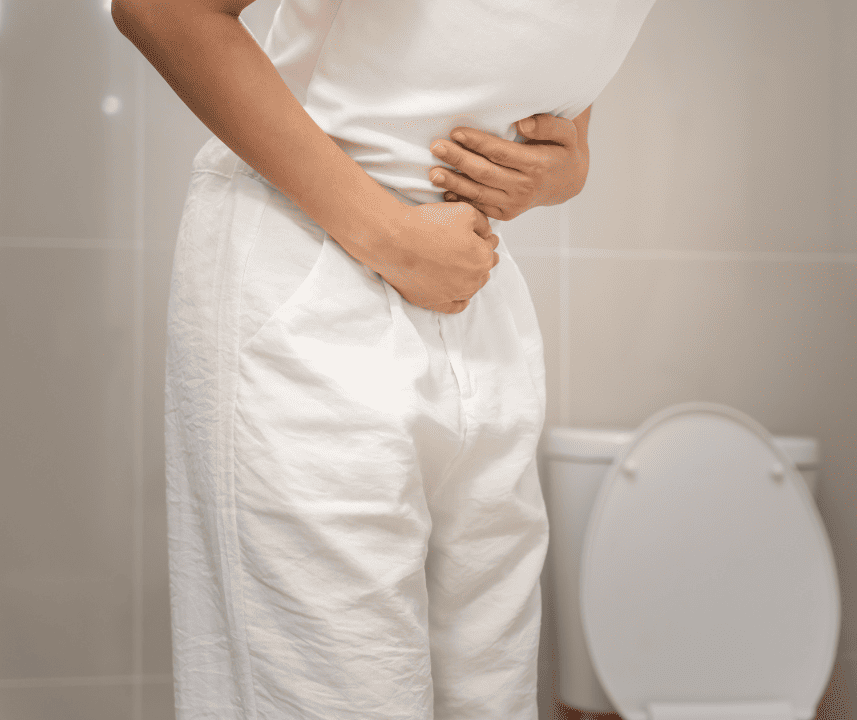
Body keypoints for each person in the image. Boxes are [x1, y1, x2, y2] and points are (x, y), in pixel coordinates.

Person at [111, 1, 657, 718]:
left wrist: (563, 168)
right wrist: (390, 236)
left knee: (491, 693)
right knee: (334, 693)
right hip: (310, 265)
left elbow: (552, 65)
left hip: (471, 285)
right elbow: (162, 9)